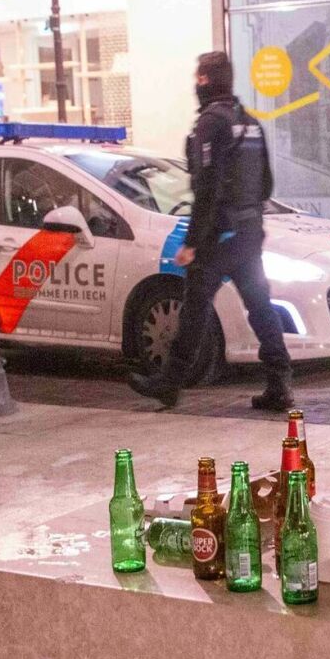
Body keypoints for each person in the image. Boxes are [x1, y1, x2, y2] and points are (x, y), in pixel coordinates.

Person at [129, 52, 294, 411]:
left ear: (204, 80)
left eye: (196, 76)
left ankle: (170, 383)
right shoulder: (250, 123)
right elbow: (266, 184)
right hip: (249, 231)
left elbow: (206, 187)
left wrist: (192, 242)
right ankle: (280, 382)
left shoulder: (210, 123)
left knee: (195, 307)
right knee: (259, 305)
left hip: (219, 235)